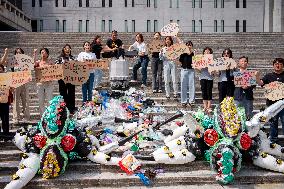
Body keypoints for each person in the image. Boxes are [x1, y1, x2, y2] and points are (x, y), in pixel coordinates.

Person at [256, 58, 284, 143]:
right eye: (275, 63)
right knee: (273, 123)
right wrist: (257, 77)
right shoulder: (268, 76)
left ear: (283, 65)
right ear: (273, 65)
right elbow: (261, 83)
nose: (277, 65)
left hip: (283, 104)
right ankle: (273, 140)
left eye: (279, 63)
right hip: (271, 104)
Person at [55, 44, 76, 114]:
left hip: (71, 78)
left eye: (69, 48)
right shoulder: (59, 58)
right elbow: (56, 66)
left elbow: (77, 67)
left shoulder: (73, 58)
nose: (67, 50)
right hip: (62, 79)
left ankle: (71, 108)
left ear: (70, 50)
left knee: (71, 93)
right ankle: (64, 108)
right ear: (63, 50)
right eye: (66, 48)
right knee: (63, 93)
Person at [12, 48, 31, 124]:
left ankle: (26, 117)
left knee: (25, 100)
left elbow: (29, 71)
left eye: (20, 52)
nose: (18, 54)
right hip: (16, 83)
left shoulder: (26, 62)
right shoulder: (12, 63)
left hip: (24, 83)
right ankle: (16, 118)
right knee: (16, 101)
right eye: (17, 53)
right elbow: (11, 73)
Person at [34, 48, 54, 115]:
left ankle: (50, 116)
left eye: (45, 52)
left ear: (47, 54)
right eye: (42, 52)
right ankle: (42, 116)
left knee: (50, 100)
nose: (43, 54)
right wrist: (34, 54)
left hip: (49, 84)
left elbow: (55, 72)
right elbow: (32, 65)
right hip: (40, 84)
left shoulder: (50, 63)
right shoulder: (38, 62)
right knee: (41, 101)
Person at [179, 41, 195, 106]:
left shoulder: (194, 53)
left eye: (190, 45)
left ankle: (191, 101)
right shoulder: (183, 53)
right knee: (183, 85)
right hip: (184, 70)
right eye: (187, 45)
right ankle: (184, 101)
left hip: (191, 70)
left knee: (192, 86)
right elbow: (180, 61)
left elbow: (197, 61)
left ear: (192, 46)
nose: (189, 46)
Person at [0, 64, 13, 140]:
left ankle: (6, 133)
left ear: (3, 70)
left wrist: (11, 89)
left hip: (5, 101)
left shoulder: (7, 79)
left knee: (5, 118)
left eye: (0, 69)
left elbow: (10, 89)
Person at [199, 47, 214, 112]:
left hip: (209, 78)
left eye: (208, 51)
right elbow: (198, 70)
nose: (207, 52)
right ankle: (205, 106)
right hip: (202, 77)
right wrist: (201, 66)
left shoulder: (212, 60)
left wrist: (210, 67)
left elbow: (214, 70)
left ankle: (209, 106)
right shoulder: (200, 59)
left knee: (209, 92)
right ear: (203, 52)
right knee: (204, 92)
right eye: (206, 51)